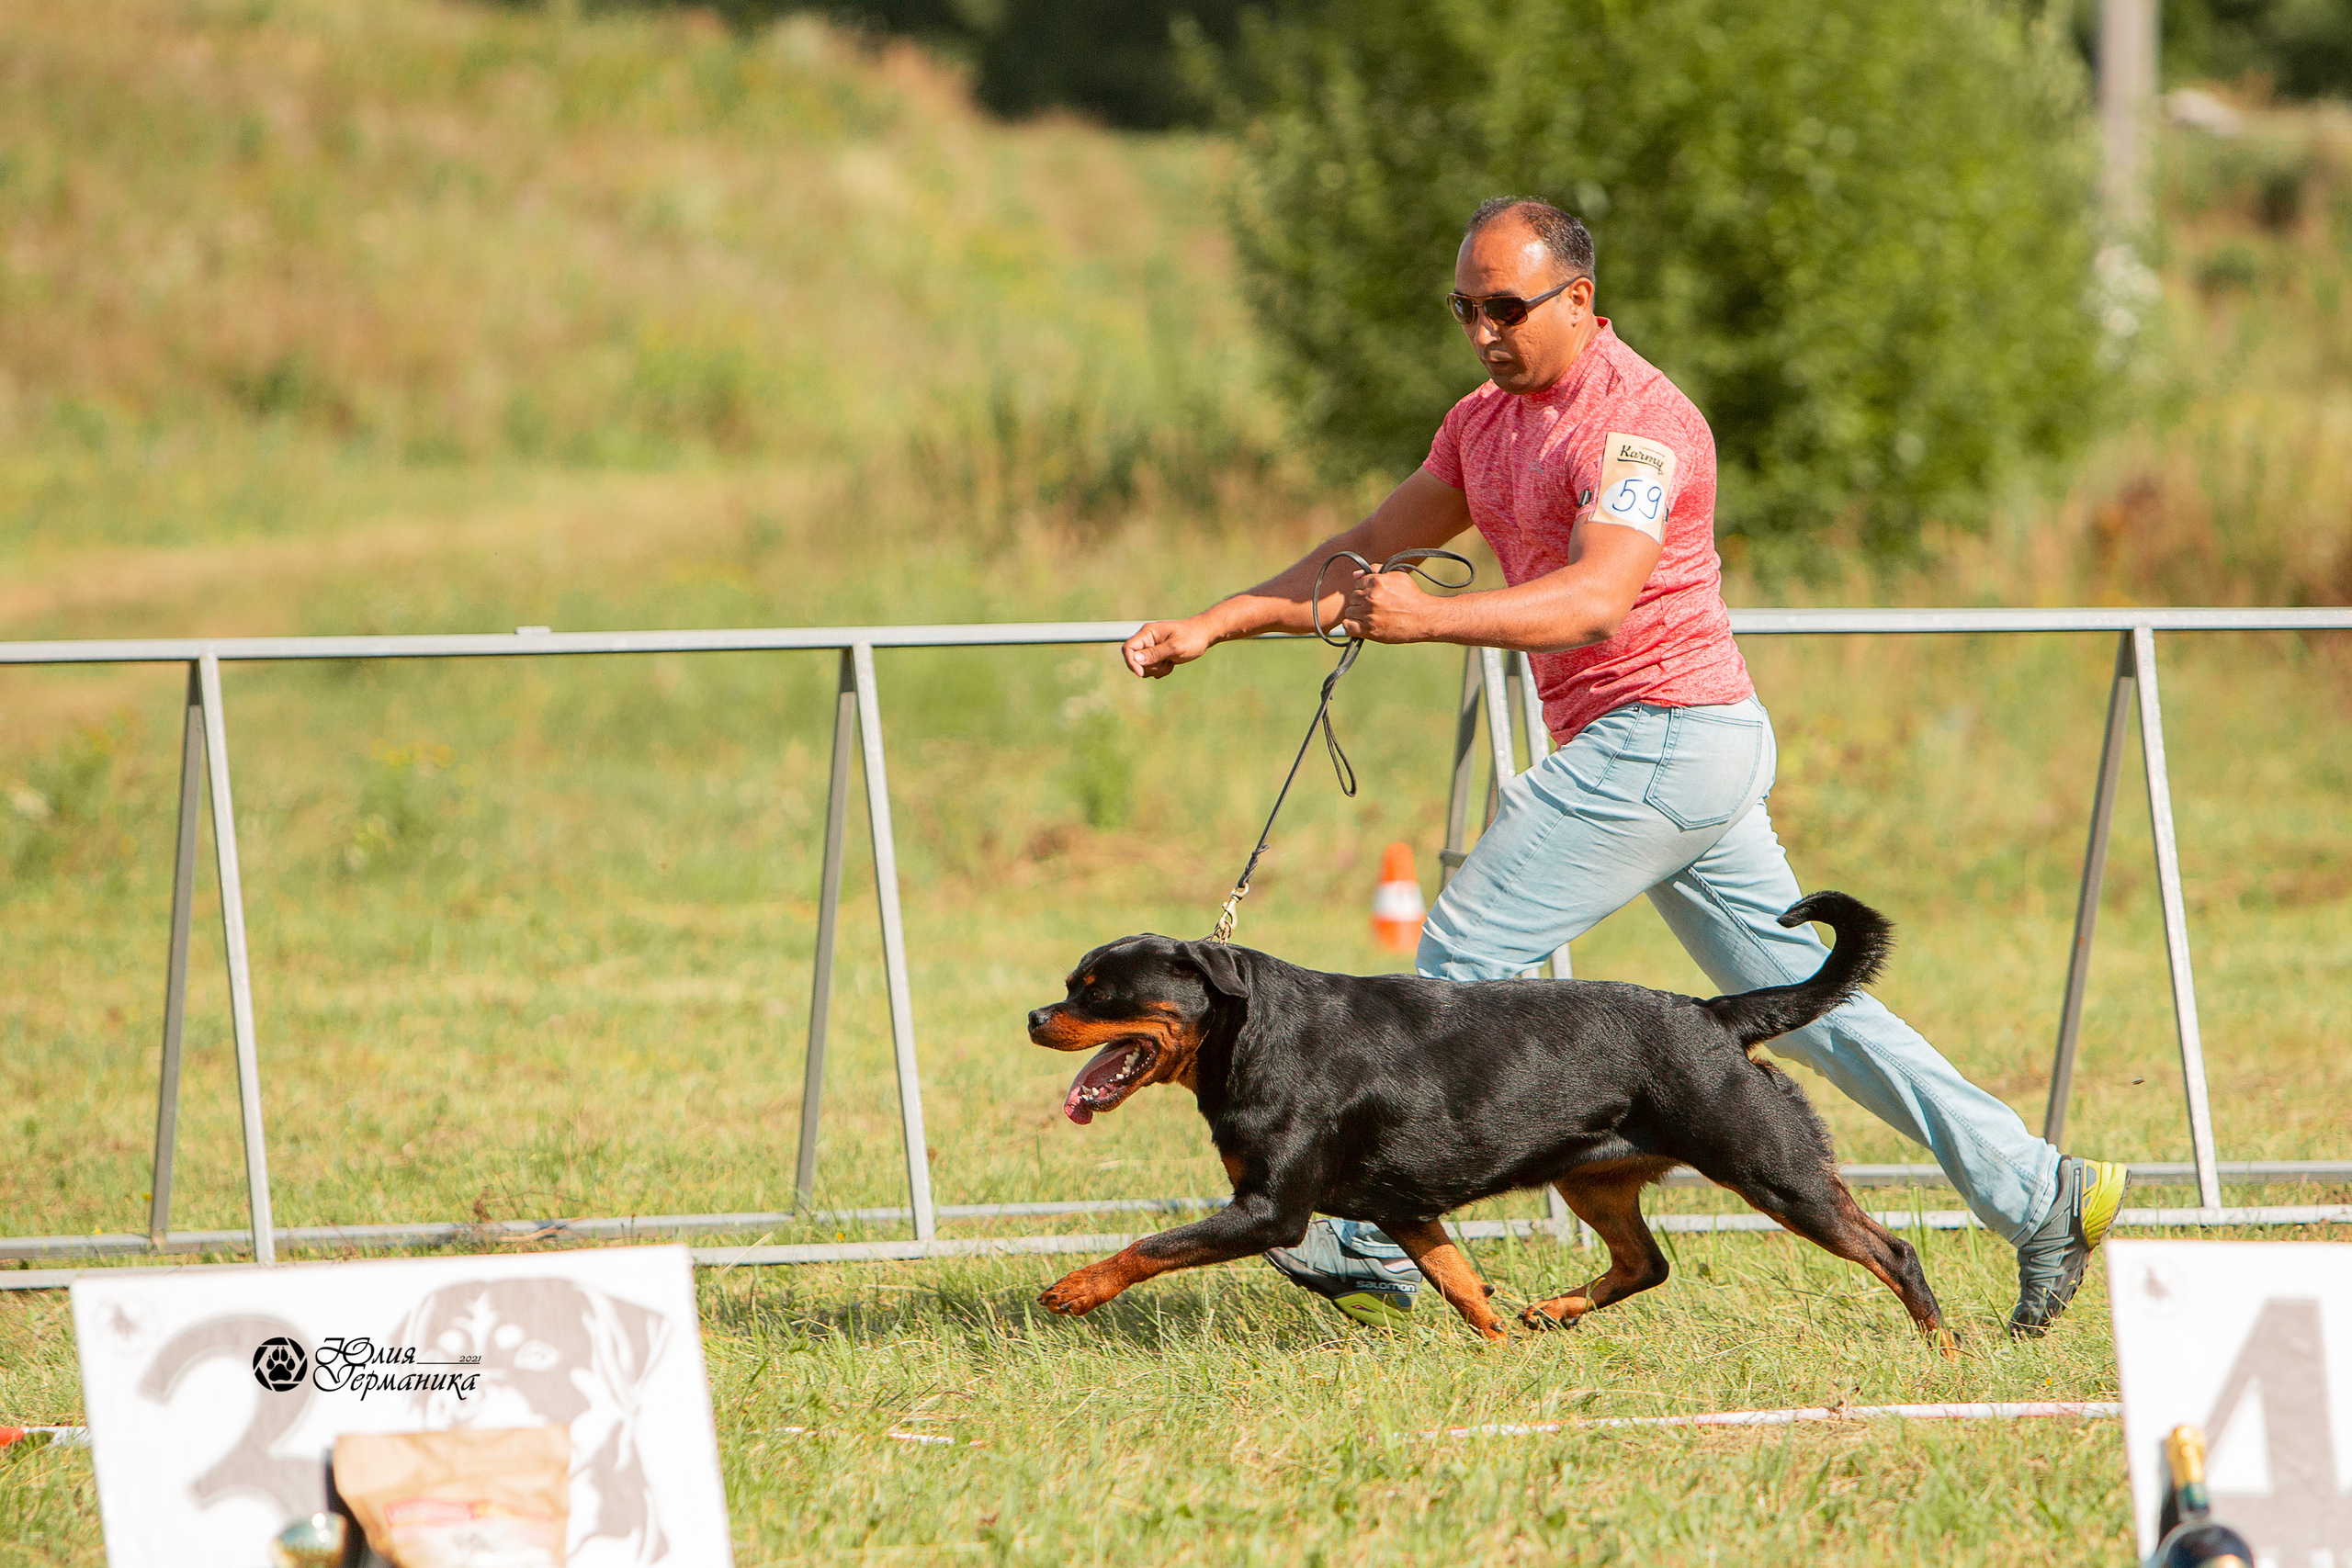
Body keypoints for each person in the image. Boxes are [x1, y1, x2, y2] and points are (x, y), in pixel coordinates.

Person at [1120, 197, 2124, 1338]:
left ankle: (1361, 1230)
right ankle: (2044, 1193)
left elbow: (1598, 599)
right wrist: (1221, 619)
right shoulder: (1479, 424)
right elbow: (1366, 552)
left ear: (1580, 300)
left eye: (1507, 307)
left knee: (1458, 956)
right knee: (1813, 1013)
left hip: (1662, 735)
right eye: (1465, 310)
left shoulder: (1639, 425)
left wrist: (1422, 625)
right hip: (1670, 750)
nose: (1485, 331)